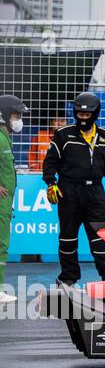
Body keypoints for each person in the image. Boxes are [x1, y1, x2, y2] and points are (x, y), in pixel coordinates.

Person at [42, 92, 105, 284]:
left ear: (95, 114)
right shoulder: (63, 135)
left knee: (100, 237)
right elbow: (50, 162)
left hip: (95, 193)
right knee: (68, 237)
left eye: (86, 115)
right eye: (79, 114)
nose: (82, 118)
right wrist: (51, 183)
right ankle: (68, 276)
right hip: (69, 192)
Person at [0, 94, 28, 301]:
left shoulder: (4, 136)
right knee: (1, 243)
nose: (19, 119)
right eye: (16, 114)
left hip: (5, 201)